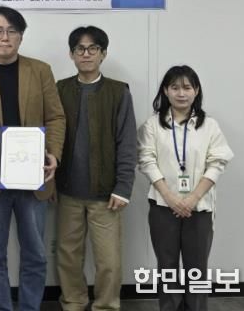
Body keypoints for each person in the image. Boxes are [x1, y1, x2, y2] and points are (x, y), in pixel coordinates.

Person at [0, 6, 66, 311]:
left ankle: (30, 307)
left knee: (36, 254)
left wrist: (54, 154)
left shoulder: (40, 70)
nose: (4, 37)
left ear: (21, 36)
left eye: (12, 31)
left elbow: (56, 117)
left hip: (34, 176)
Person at [137, 65, 234, 311]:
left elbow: (217, 163)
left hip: (199, 208)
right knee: (167, 266)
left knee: (197, 268)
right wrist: (170, 198)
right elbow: (147, 162)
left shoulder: (209, 125)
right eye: (175, 87)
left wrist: (192, 198)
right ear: (165, 91)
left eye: (187, 87)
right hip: (162, 206)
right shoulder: (152, 125)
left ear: (196, 91)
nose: (181, 93)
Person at [55, 26, 137, 311]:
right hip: (67, 191)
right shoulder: (60, 89)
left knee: (108, 260)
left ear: (103, 54)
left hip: (106, 194)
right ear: (71, 54)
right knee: (67, 255)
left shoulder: (118, 91)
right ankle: (73, 303)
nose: (86, 54)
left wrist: (123, 187)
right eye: (80, 49)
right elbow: (50, 136)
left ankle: (106, 306)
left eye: (93, 48)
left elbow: (127, 142)